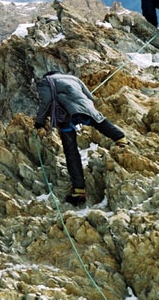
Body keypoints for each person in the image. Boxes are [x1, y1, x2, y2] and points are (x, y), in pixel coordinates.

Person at [34, 71, 127, 206]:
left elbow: (46, 101)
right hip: (87, 109)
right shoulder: (74, 78)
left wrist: (40, 122)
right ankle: (121, 140)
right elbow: (90, 97)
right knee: (99, 123)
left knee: (71, 151)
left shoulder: (45, 81)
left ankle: (79, 191)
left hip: (65, 116)